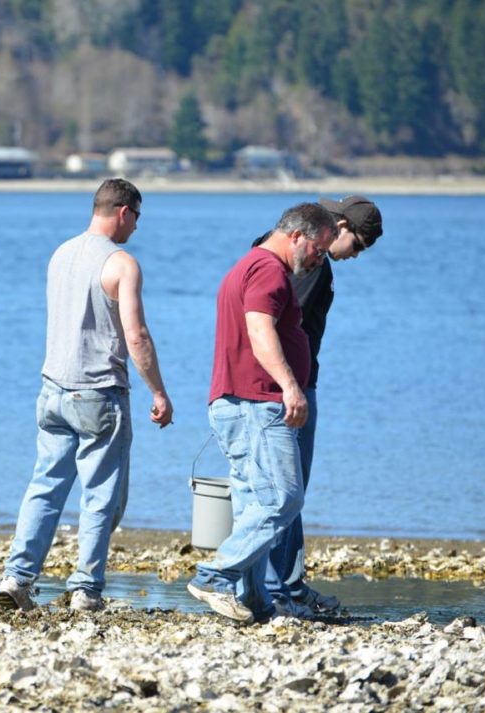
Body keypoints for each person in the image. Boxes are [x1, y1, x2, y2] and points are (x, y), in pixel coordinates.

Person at [0, 178, 174, 613]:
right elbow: (137, 336)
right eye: (137, 219)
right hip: (98, 392)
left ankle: (17, 576)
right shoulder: (121, 264)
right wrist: (159, 391)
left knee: (45, 485)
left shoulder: (61, 253)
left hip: (52, 387)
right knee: (100, 494)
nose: (135, 229)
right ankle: (86, 589)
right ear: (124, 212)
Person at [187, 203, 336, 624]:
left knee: (253, 498)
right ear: (296, 236)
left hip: (234, 401)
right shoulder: (269, 270)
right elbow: (259, 328)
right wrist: (291, 387)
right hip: (257, 402)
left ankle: (253, 598)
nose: (318, 259)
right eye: (319, 250)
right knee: (284, 497)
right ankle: (215, 575)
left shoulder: (248, 265)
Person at [260, 195, 384, 616]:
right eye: (359, 247)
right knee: (289, 489)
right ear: (343, 228)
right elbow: (279, 320)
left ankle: (286, 584)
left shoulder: (277, 247)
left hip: (280, 381)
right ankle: (281, 589)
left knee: (283, 488)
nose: (356, 257)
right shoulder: (314, 266)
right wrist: (291, 384)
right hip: (292, 385)